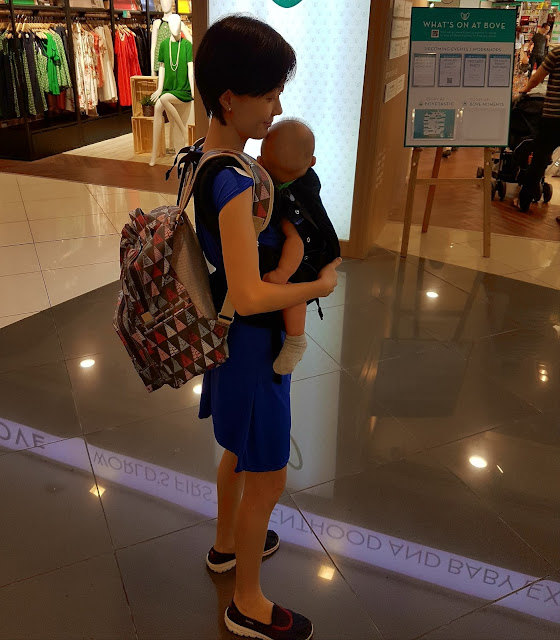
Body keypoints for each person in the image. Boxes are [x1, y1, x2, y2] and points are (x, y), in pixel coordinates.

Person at [194, 15, 341, 640]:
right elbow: (253, 292)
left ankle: (227, 545)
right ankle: (247, 602)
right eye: (271, 93)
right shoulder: (234, 184)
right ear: (231, 97)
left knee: (238, 451)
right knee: (269, 476)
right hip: (253, 347)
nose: (278, 108)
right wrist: (317, 287)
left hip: (229, 338)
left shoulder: (203, 156)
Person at [257, 119, 319, 376]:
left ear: (260, 161)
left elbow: (296, 240)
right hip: (296, 250)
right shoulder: (297, 180)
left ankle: (296, 339)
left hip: (301, 257)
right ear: (312, 161)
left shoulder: (296, 194)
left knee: (294, 293)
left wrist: (282, 274)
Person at [517, 43, 560, 214]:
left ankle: (524, 202)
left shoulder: (557, 53)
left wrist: (525, 89)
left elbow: (536, 78)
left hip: (553, 118)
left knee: (539, 160)